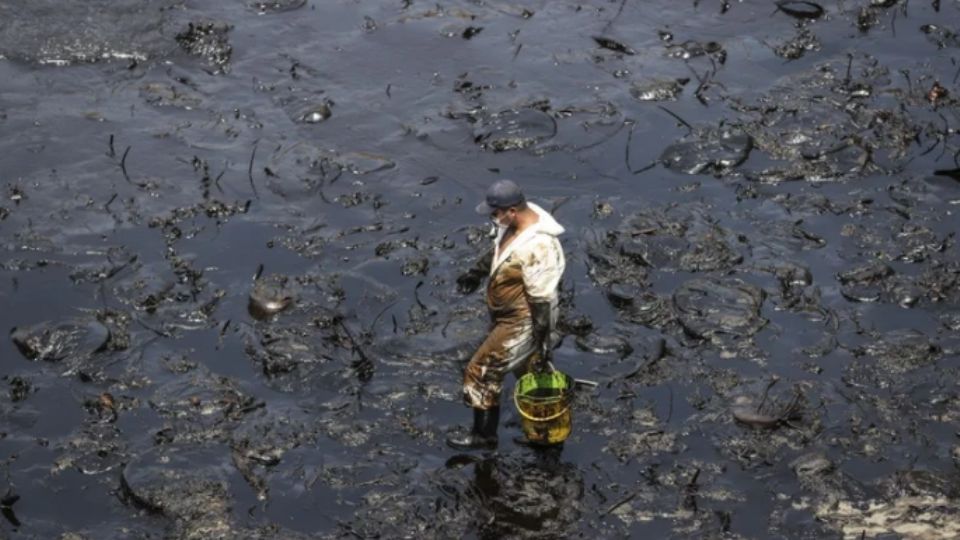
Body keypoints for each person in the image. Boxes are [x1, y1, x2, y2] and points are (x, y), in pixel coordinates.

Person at [447, 179, 566, 450]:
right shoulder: (513, 224)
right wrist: (476, 273)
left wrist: (543, 339)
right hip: (508, 315)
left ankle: (484, 436)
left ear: (512, 211)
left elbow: (541, 300)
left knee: (481, 371)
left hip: (523, 321)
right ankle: (546, 434)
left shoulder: (540, 247)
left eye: (494, 212)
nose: (492, 217)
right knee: (531, 372)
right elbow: (500, 252)